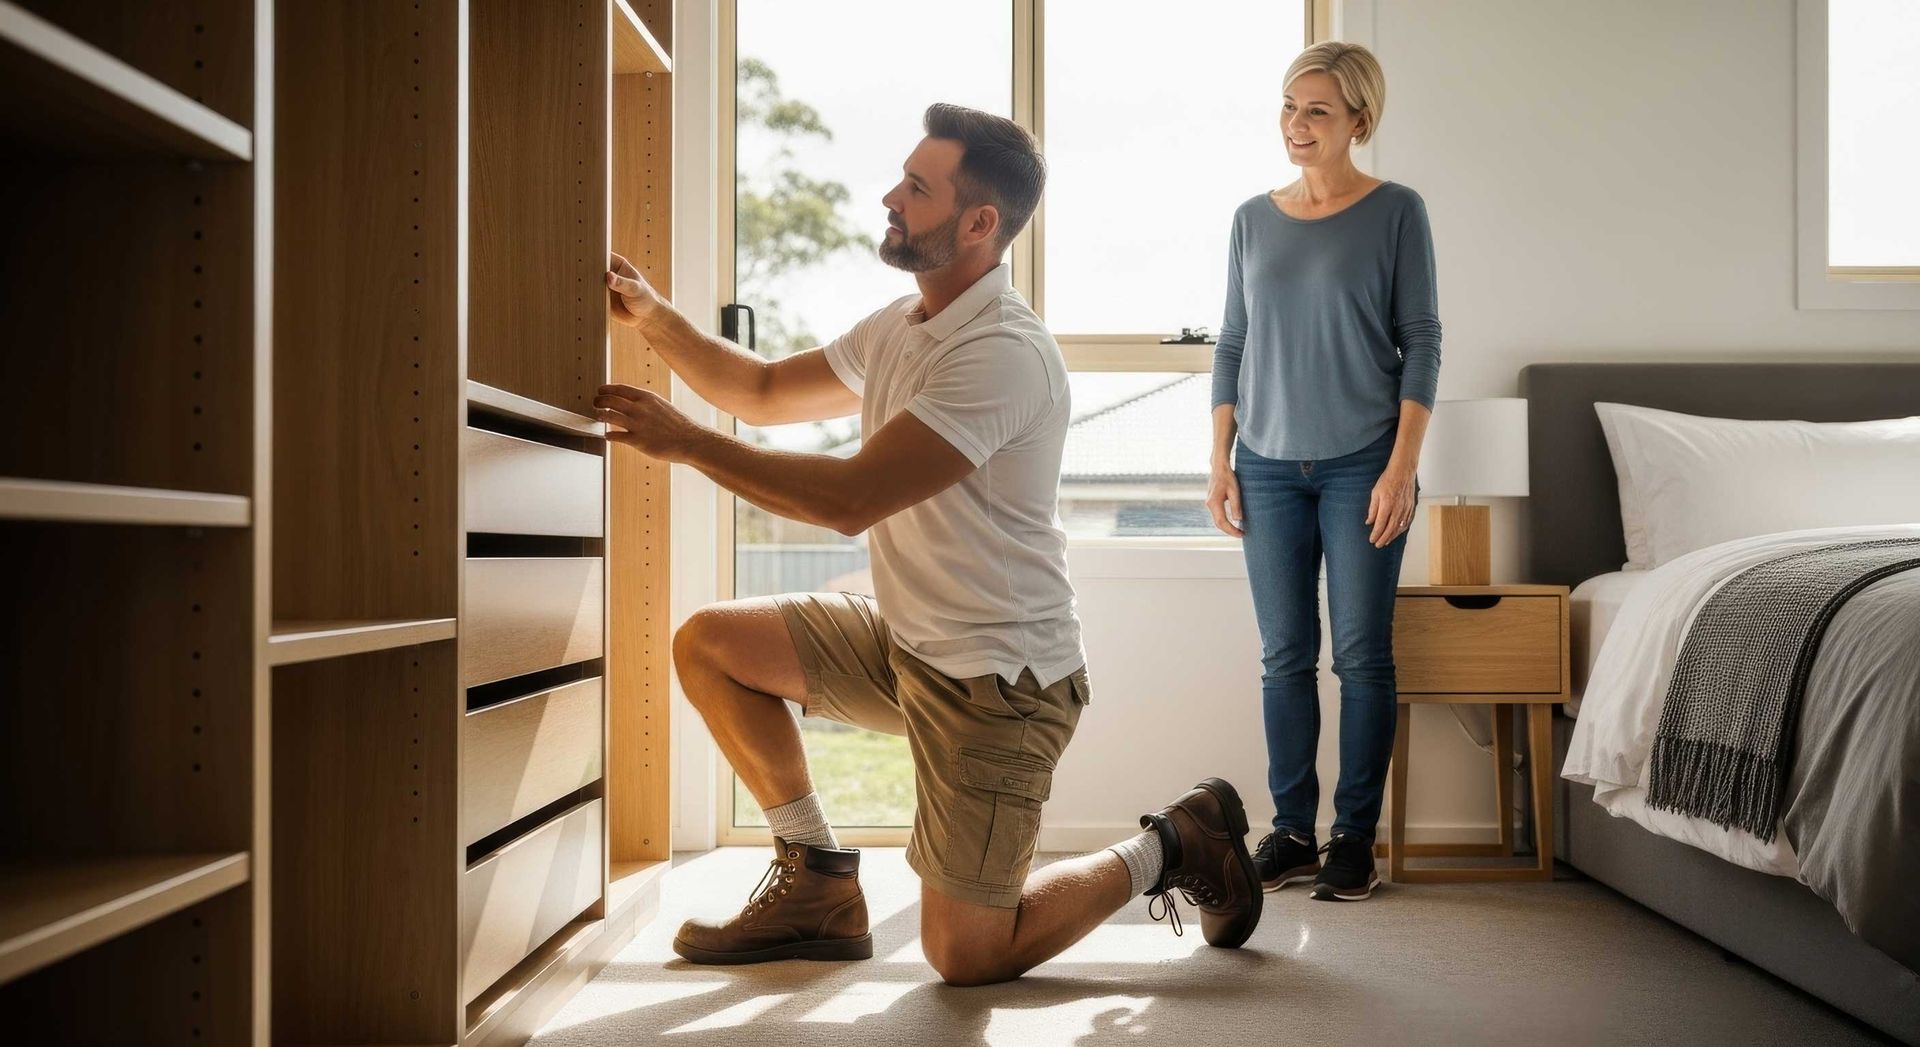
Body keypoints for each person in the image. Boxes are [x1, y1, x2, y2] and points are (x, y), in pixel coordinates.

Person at [599, 103, 1262, 985]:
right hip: (908, 643)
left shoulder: (1002, 354)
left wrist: (684, 441)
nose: (889, 197)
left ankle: (1178, 838)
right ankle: (817, 883)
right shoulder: (901, 327)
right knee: (711, 644)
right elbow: (757, 389)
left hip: (1002, 684)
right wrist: (650, 314)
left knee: (966, 955)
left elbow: (850, 498)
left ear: (979, 223)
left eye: (916, 187)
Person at [1205, 42, 1440, 903]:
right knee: (1284, 656)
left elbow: (1424, 340)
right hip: (1265, 465)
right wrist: (1220, 460)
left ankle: (1353, 839)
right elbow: (1233, 342)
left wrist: (1401, 467)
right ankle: (1293, 832)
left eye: (1316, 112)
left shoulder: (1396, 212)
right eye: (1288, 107)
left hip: (1361, 465)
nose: (1296, 126)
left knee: (1362, 657)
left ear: (1358, 122)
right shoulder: (1250, 219)